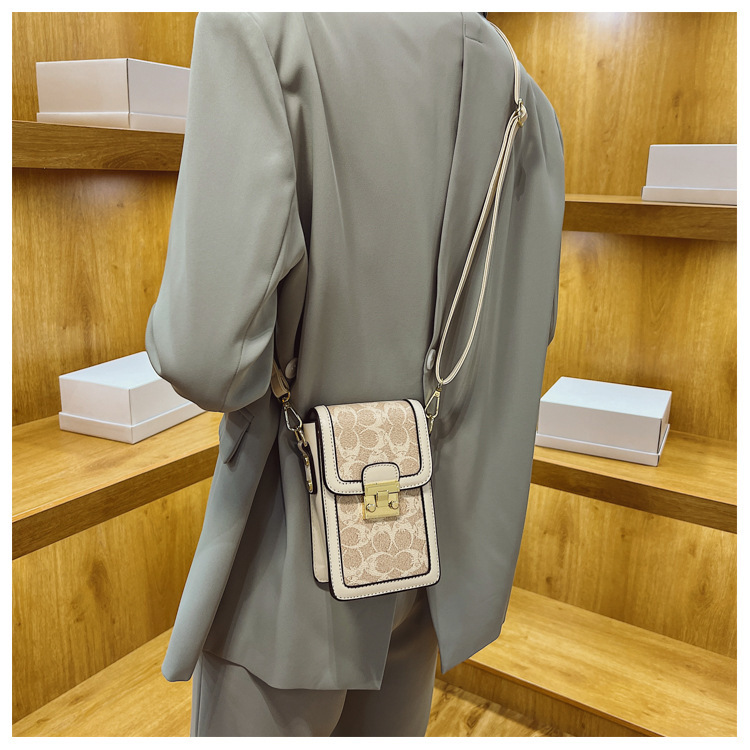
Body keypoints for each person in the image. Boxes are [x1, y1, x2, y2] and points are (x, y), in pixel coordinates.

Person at [145, 11, 564, 737]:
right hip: (430, 557)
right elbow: (530, 334)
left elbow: (207, 358)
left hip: (289, 572)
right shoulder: (526, 98)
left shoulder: (258, 30)